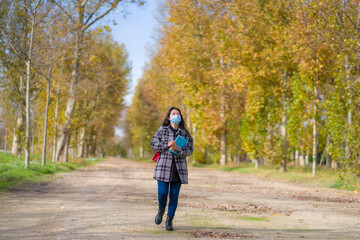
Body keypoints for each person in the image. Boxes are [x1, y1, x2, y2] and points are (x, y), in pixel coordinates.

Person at [151, 106, 193, 231]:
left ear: (180, 118)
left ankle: (169, 220)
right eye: (173, 114)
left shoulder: (185, 133)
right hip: (163, 168)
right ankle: (161, 210)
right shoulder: (162, 130)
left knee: (174, 196)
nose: (176, 116)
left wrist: (178, 149)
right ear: (169, 117)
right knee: (163, 193)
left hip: (178, 169)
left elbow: (189, 150)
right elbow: (154, 144)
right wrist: (166, 145)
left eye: (178, 114)